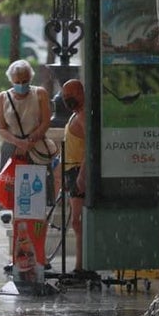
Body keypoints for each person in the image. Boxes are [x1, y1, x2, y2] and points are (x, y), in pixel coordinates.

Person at [0, 59, 54, 167]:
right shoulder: (3, 98)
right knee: (10, 182)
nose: (21, 85)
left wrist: (29, 141)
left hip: (36, 146)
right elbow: (1, 128)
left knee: (40, 181)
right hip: (11, 147)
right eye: (17, 82)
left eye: (25, 81)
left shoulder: (40, 94)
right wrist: (19, 143)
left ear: (30, 79)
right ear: (11, 81)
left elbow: (45, 122)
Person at [60, 78, 89, 276]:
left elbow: (90, 148)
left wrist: (82, 176)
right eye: (64, 95)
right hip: (72, 171)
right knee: (76, 222)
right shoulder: (75, 115)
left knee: (78, 222)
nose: (66, 99)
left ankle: (81, 265)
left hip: (78, 171)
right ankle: (81, 264)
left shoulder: (82, 116)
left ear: (81, 93)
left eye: (70, 94)